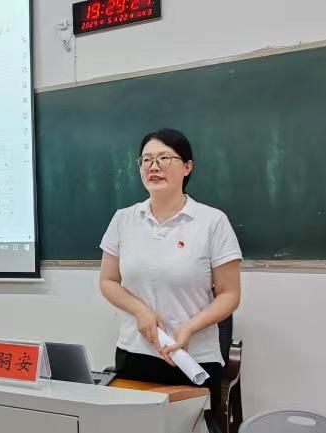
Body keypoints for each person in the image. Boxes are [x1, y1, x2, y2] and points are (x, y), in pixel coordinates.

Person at [99, 128, 242, 413]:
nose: (154, 166)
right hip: (134, 352)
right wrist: (140, 311)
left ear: (187, 167)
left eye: (164, 158)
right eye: (146, 160)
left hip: (193, 357)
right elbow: (108, 281)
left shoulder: (212, 222)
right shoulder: (123, 219)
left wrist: (188, 329)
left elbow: (229, 294)